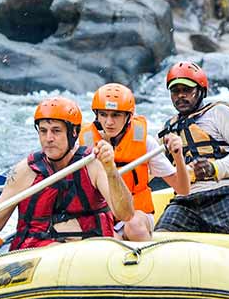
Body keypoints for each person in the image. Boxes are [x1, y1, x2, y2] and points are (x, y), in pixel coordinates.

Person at [0, 97, 134, 250]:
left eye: (56, 131)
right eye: (43, 131)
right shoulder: (24, 171)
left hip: (91, 252)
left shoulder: (93, 164)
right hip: (39, 256)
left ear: (73, 132)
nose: (48, 138)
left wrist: (111, 171)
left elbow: (126, 214)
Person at [79, 83, 190, 241]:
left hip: (138, 214)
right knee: (110, 238)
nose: (109, 122)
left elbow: (183, 189)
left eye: (116, 115)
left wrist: (178, 156)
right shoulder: (85, 144)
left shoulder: (145, 143)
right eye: (103, 114)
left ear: (129, 116)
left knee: (133, 225)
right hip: (104, 216)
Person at [155, 61, 229, 235]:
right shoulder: (168, 128)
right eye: (175, 91)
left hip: (224, 192)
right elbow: (154, 166)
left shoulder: (219, 112)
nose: (180, 96)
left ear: (201, 91)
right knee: (160, 237)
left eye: (186, 90)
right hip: (185, 200)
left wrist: (215, 168)